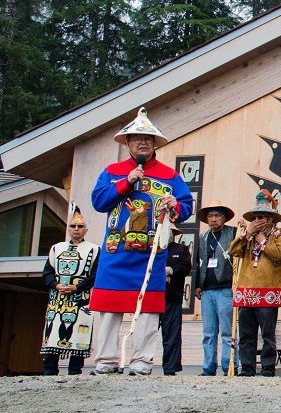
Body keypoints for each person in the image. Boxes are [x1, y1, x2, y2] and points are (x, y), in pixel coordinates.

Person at [90, 107, 193, 376]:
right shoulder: (112, 171)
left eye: (148, 139)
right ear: (127, 143)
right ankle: (107, 360)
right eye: (137, 138)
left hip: (151, 255)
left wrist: (175, 205)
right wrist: (126, 182)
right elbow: (99, 202)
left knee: (148, 309)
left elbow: (186, 206)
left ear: (155, 144)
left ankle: (142, 361)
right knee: (110, 309)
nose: (143, 143)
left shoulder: (170, 175)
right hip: (116, 252)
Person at [227, 191, 281, 377]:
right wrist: (247, 233)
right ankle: (247, 369)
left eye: (262, 216)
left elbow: (280, 254)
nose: (258, 219)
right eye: (255, 217)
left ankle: (267, 368)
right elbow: (233, 251)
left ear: (271, 218)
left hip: (268, 291)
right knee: (246, 335)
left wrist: (263, 241)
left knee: (267, 335)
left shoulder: (280, 234)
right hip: (246, 291)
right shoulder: (247, 236)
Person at [41, 205, 100, 375]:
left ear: (86, 230)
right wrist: (55, 285)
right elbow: (47, 272)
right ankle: (49, 370)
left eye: (80, 227)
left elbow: (95, 274)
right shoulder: (56, 248)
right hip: (57, 299)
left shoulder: (94, 249)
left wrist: (78, 286)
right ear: (68, 229)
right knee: (53, 331)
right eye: (73, 226)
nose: (76, 229)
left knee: (79, 333)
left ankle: (75, 370)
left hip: (80, 299)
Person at [192, 200, 238, 376]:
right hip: (207, 290)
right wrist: (197, 285)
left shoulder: (233, 232)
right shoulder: (203, 238)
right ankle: (208, 368)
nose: (213, 219)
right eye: (210, 216)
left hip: (226, 288)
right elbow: (198, 262)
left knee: (228, 332)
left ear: (224, 218)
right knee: (209, 333)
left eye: (217, 216)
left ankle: (229, 367)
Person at [159, 225, 191, 376]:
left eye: (169, 231)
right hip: (152, 298)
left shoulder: (181, 249)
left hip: (172, 298)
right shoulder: (150, 249)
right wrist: (160, 273)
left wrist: (170, 271)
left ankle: (170, 368)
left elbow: (185, 266)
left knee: (172, 334)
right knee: (147, 333)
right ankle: (142, 364)